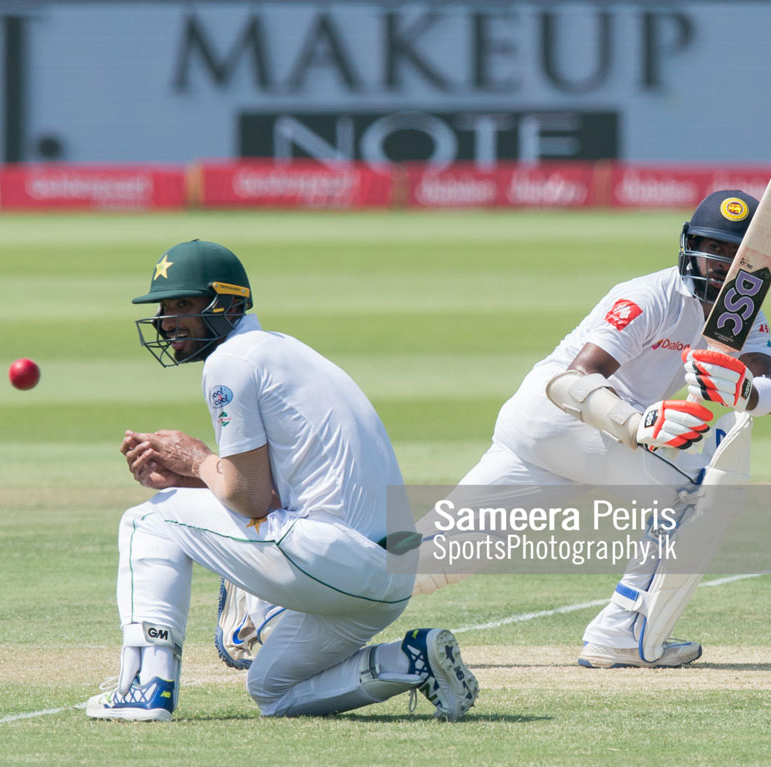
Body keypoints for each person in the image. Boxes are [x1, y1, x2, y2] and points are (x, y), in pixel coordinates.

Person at [219, 189, 771, 671]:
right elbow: (572, 381)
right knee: (702, 480)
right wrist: (637, 424)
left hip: (577, 437)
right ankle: (625, 631)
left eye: (731, 253)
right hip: (564, 419)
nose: (717, 262)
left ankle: (265, 601)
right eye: (709, 247)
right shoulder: (649, 296)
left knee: (435, 555)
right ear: (689, 246)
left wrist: (746, 394)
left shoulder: (740, 311)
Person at [85, 239, 479, 722]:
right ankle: (409, 660)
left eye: (183, 305)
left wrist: (196, 458)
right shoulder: (284, 351)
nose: (168, 321)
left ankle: (148, 687)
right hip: (389, 579)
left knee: (148, 521)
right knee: (272, 689)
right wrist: (193, 477)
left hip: (331, 557)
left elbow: (250, 500)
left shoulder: (230, 362)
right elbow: (268, 493)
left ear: (229, 304)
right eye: (164, 308)